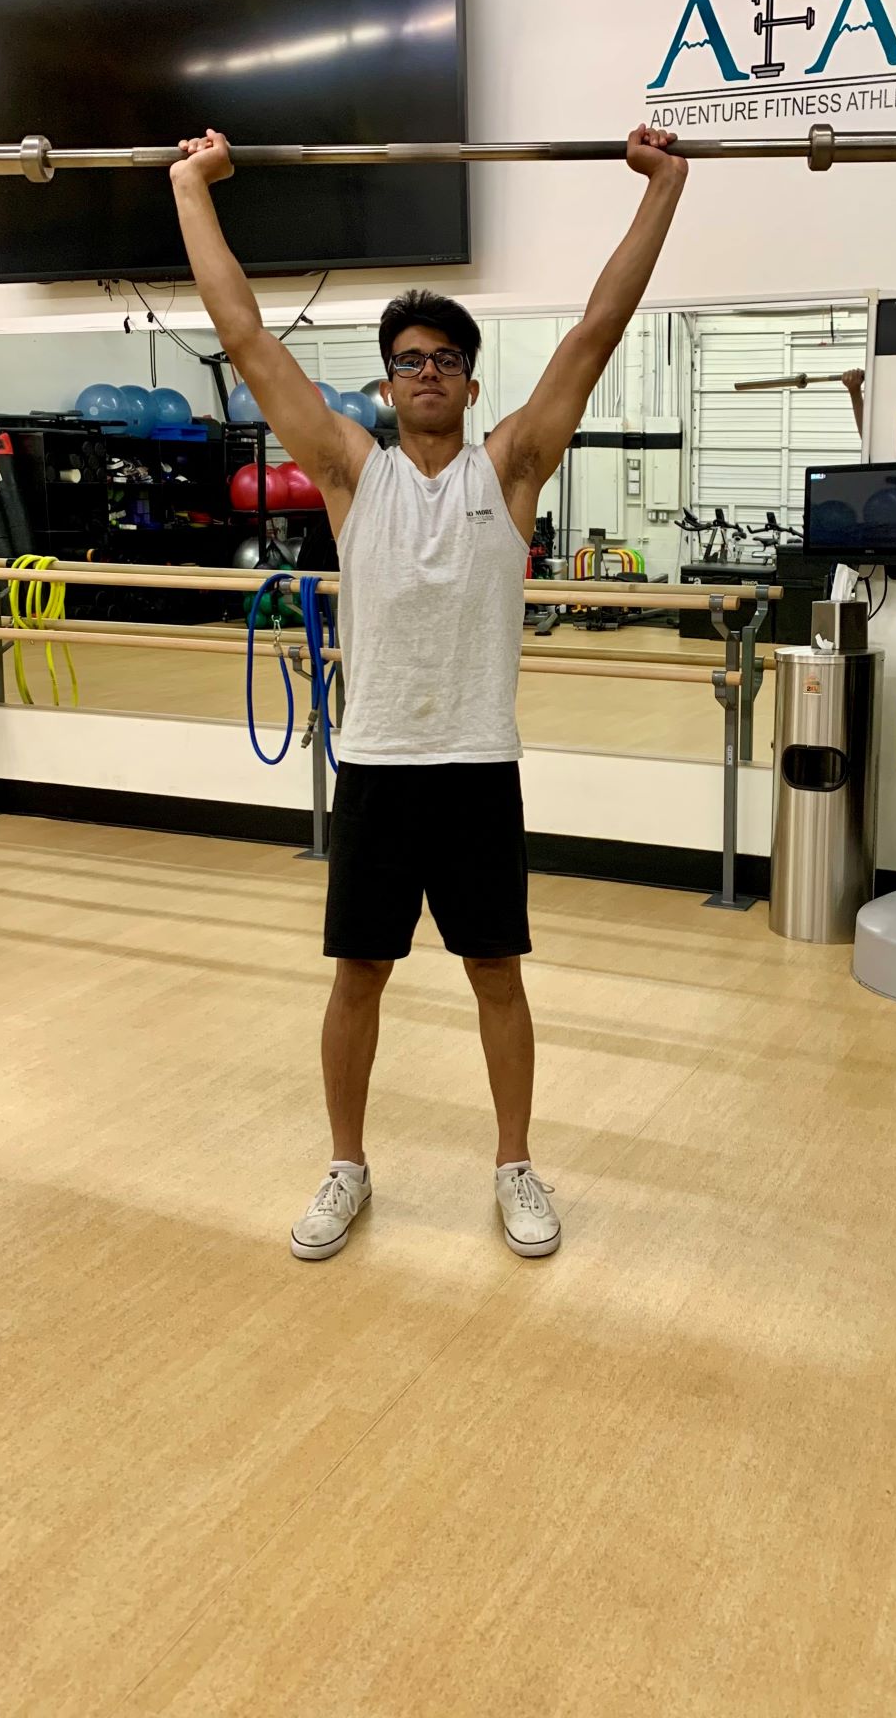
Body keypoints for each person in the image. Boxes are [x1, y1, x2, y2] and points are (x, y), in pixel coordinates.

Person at [170, 125, 688, 1261]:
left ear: (468, 376)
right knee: (359, 973)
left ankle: (515, 1165)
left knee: (496, 974)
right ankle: (346, 1165)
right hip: (378, 773)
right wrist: (188, 187)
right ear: (389, 378)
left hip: (475, 767)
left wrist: (666, 187)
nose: (426, 372)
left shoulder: (513, 468)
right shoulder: (355, 474)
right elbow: (244, 335)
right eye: (407, 358)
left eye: (444, 357)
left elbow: (600, 329)